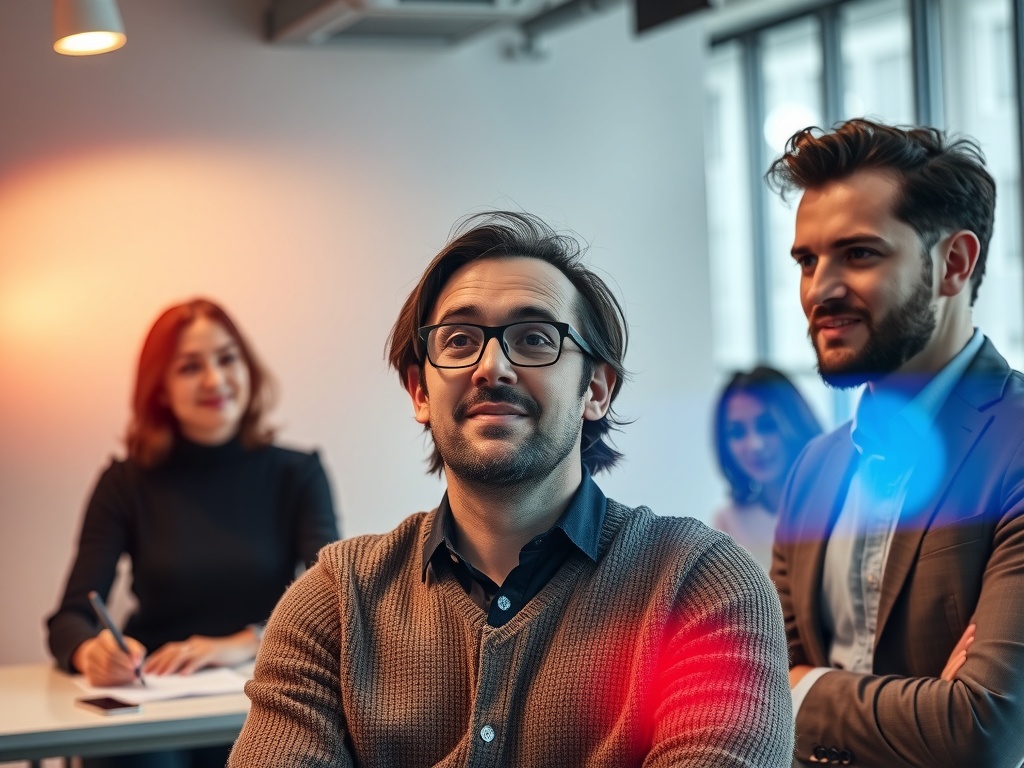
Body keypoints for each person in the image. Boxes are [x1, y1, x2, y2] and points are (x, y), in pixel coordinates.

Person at [228, 211, 793, 767]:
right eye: (457, 341)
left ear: (595, 388)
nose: (492, 367)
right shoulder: (336, 601)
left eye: (534, 338)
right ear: (419, 391)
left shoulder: (702, 586)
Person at [765, 118, 1024, 766]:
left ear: (954, 264)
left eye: (859, 254)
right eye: (807, 259)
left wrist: (799, 690)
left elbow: (988, 730)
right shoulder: (815, 468)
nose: (819, 289)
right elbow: (751, 686)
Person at [47, 298, 341, 768]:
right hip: (152, 702)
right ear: (160, 388)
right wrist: (89, 653)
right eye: (189, 367)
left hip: (262, 688)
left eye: (227, 358)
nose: (214, 380)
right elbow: (69, 618)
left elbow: (336, 606)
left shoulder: (298, 474)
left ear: (247, 368)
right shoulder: (124, 482)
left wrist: (243, 642)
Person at [711, 366, 822, 569]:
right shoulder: (727, 523)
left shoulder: (839, 505)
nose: (755, 445)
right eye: (737, 432)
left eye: (767, 426)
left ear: (795, 423)